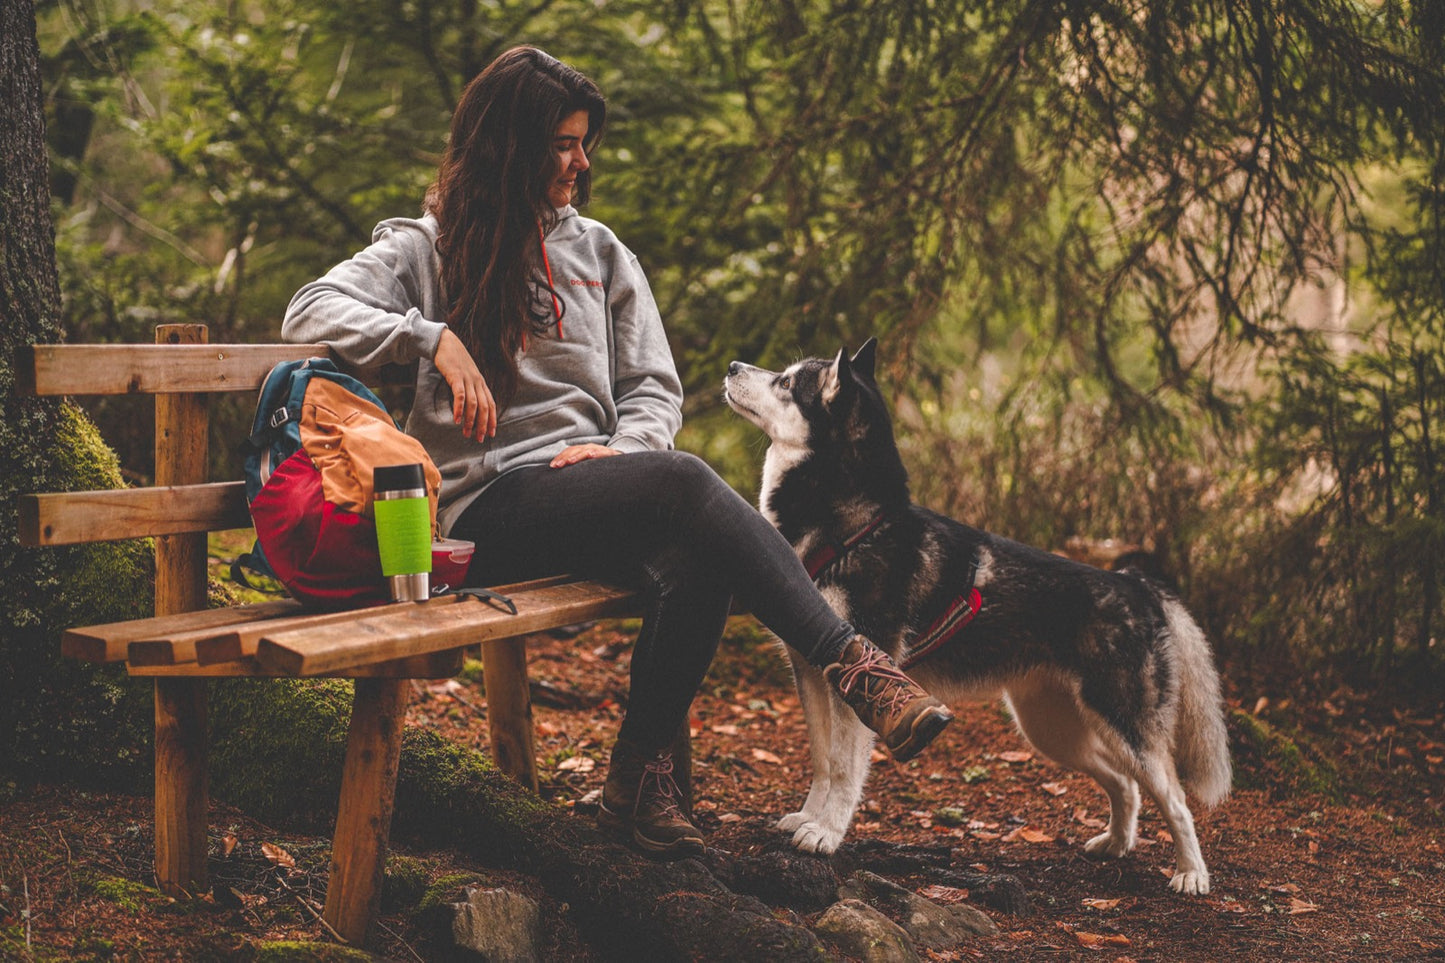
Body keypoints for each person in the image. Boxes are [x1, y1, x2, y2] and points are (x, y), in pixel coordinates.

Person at [282, 46, 952, 858]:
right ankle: (855, 668)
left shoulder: (598, 252)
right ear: (510, 145)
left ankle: (635, 782)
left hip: (604, 490)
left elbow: (653, 387)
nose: (580, 160)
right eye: (562, 143)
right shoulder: (425, 248)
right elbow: (308, 313)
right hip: (484, 510)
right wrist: (431, 340)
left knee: (694, 548)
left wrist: (622, 450)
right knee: (682, 486)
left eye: (583, 141)